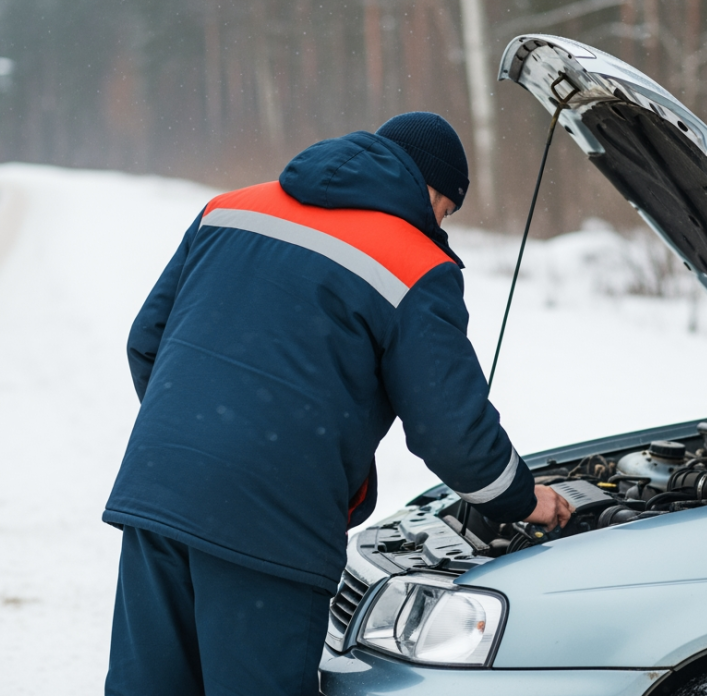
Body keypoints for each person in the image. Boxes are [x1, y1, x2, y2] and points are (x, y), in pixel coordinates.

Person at [102, 112, 573, 696]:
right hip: (270, 524)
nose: (441, 225)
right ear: (434, 191)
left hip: (159, 491)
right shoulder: (415, 263)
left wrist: (200, 441)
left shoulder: (227, 208)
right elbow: (452, 429)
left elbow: (146, 341)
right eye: (447, 211)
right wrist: (523, 500)